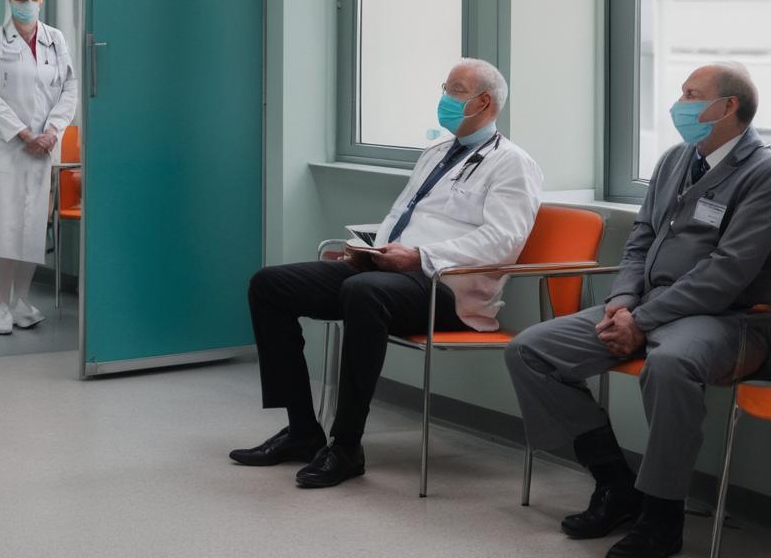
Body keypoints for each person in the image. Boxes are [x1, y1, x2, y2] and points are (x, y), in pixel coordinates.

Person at [230, 58, 543, 487]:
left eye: (454, 90)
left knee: (364, 293)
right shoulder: (435, 153)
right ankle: (303, 431)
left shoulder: (513, 164)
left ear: (484, 101)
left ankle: (345, 446)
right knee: (270, 285)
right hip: (390, 274)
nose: (444, 98)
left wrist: (419, 257)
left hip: (448, 291)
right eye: (445, 87)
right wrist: (368, 251)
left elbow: (503, 242)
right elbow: (403, 217)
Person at [505, 62, 771, 558]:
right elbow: (640, 241)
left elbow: (726, 272)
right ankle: (614, 482)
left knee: (669, 366)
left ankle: (662, 516)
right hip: (642, 306)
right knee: (531, 350)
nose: (680, 104)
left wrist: (640, 322)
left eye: (693, 95)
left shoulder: (762, 173)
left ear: (729, 107)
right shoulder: (676, 158)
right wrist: (624, 301)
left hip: (724, 318)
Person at [0, 0, 77, 335]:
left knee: (30, 227)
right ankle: (0, 305)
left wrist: (53, 130)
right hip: (4, 146)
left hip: (43, 148)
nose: (26, 4)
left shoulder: (56, 40)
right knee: (2, 226)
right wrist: (25, 133)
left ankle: (21, 301)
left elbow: (69, 89)